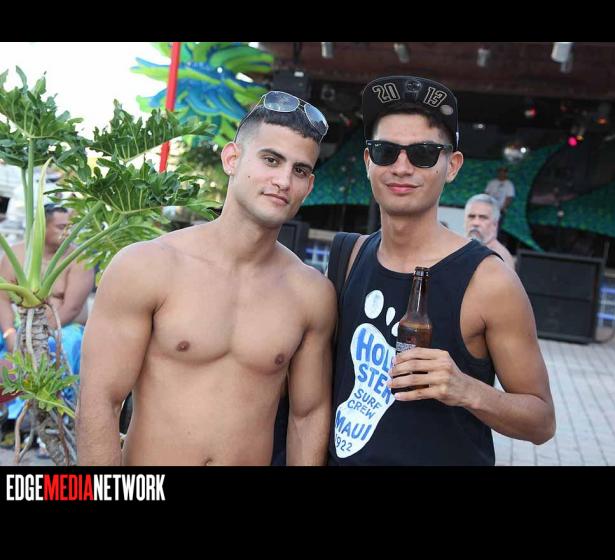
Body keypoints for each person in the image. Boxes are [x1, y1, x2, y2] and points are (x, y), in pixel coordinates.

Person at [77, 91, 337, 466]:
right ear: (232, 159)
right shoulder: (148, 266)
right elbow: (100, 399)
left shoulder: (310, 294)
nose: (283, 180)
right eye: (271, 160)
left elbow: (308, 416)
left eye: (299, 171)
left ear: (308, 186)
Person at [328, 76, 555, 466]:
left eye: (423, 153)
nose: (401, 167)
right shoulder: (348, 257)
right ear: (368, 162)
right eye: (385, 151)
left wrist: (466, 390)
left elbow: (541, 422)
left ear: (452, 166)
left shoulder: (489, 281)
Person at [0, 204, 94, 448]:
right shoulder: (16, 253)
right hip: (17, 325)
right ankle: (8, 416)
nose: (68, 232)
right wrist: (10, 332)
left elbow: (71, 307)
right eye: (62, 227)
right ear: (41, 228)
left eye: (70, 227)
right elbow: (2, 298)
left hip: (62, 327)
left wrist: (33, 336)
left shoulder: (79, 258)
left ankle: (54, 422)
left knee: (63, 345)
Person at [464, 193, 515, 269]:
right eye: (471, 216)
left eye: (483, 217)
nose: (475, 223)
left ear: (495, 224)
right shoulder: (462, 248)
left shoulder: (499, 257)